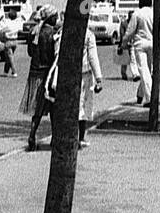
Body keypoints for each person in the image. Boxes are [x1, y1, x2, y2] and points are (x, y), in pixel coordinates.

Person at [46, 19, 103, 147]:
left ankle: (61, 137)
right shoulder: (88, 35)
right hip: (83, 74)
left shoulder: (63, 33)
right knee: (82, 107)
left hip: (65, 74)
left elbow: (56, 54)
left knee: (66, 106)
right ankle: (80, 138)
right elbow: (92, 56)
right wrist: (98, 78)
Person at [22, 8, 59, 150]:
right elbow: (54, 55)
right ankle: (54, 137)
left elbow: (30, 52)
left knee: (37, 108)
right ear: (50, 18)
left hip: (34, 72)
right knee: (53, 106)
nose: (56, 19)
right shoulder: (52, 34)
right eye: (55, 16)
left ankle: (32, 134)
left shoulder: (34, 32)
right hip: (47, 73)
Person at [119, 0, 156, 106]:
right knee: (147, 71)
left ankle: (149, 99)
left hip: (140, 45)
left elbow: (129, 32)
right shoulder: (155, 13)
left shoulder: (137, 14)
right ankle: (140, 95)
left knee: (144, 71)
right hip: (153, 44)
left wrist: (123, 44)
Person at [0, 7, 23, 78]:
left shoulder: (8, 23)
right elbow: (20, 30)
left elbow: (2, 30)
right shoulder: (18, 23)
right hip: (15, 41)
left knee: (10, 57)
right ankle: (5, 71)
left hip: (8, 41)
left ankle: (14, 72)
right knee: (8, 57)